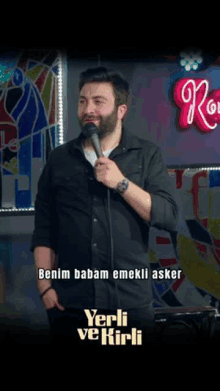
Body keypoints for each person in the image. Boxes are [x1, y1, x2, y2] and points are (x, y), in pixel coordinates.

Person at [30, 66, 178, 350]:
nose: (89, 109)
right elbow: (45, 229)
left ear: (121, 110)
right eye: (83, 101)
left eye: (99, 101)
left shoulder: (146, 155)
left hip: (128, 305)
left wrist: (121, 183)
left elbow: (168, 215)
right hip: (70, 305)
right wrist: (45, 287)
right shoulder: (60, 159)